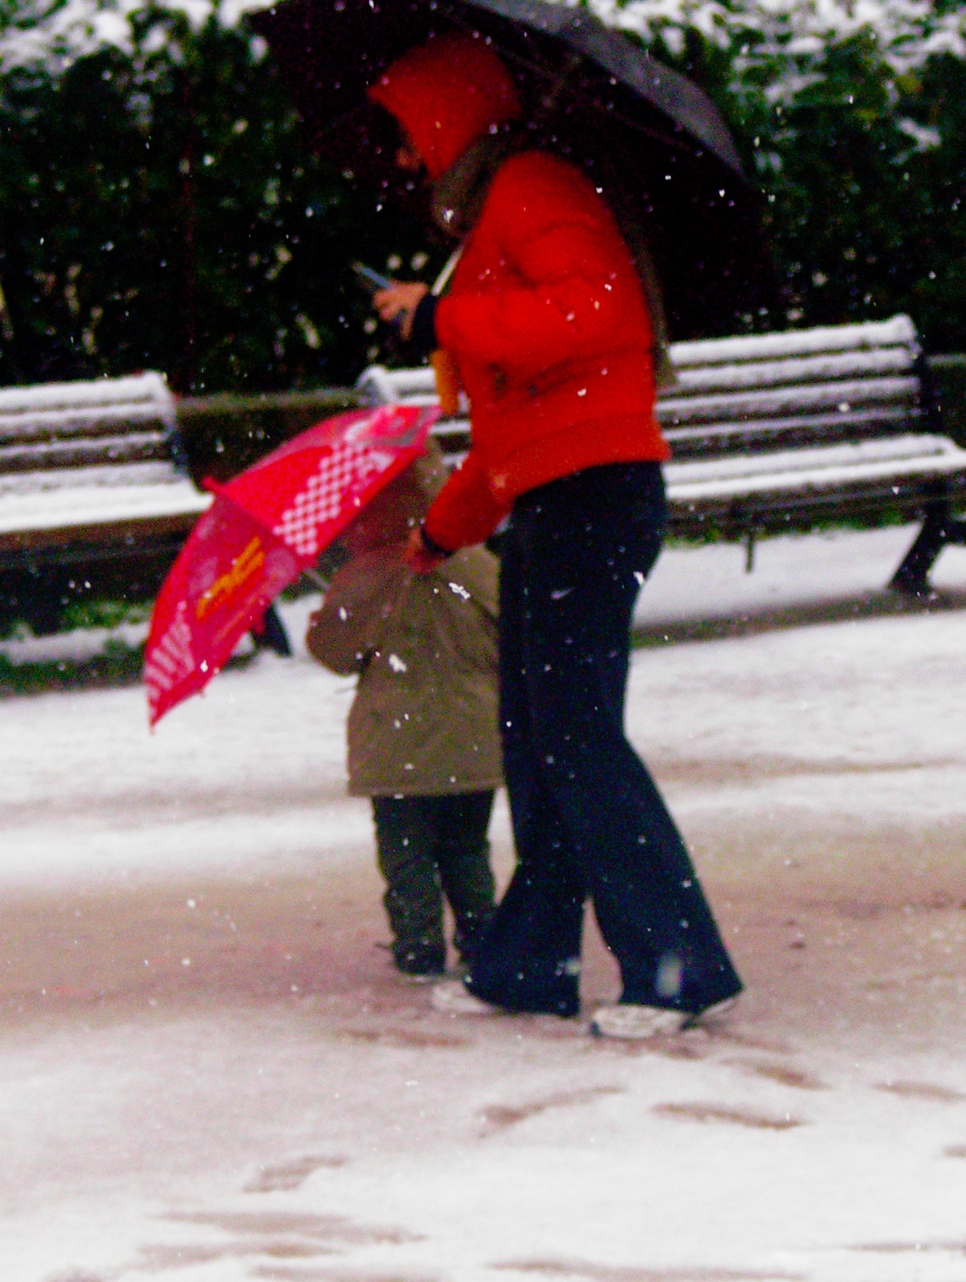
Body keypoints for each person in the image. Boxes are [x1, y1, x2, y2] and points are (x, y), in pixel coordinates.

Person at [364, 31, 742, 1040]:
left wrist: (444, 321)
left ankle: (675, 967)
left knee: (574, 738)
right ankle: (528, 964)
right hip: (553, 499)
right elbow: (513, 430)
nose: (403, 159)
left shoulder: (532, 185)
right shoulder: (490, 215)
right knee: (536, 744)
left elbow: (594, 309)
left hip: (595, 496)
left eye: (408, 135)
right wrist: (440, 537)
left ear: (446, 121)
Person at [305, 448, 502, 980]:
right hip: (473, 740)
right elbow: (511, 636)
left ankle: (417, 945)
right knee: (466, 848)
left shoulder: (366, 577)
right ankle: (483, 939)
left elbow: (334, 653)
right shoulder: (478, 566)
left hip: (394, 747)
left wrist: (324, 622)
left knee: (407, 855)